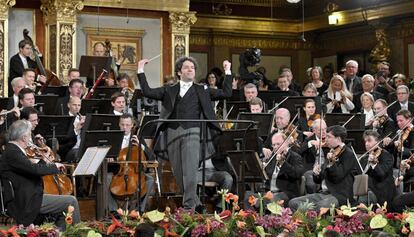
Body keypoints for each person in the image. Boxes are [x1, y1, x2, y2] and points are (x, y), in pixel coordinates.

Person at [137, 56, 232, 210]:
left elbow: (227, 93)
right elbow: (147, 92)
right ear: (179, 72)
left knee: (190, 171)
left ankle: (188, 208)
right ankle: (197, 204)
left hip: (193, 132)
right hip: (172, 133)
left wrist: (227, 71)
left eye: (192, 68)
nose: (190, 70)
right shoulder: (169, 89)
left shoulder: (203, 89)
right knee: (179, 172)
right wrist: (140, 69)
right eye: (187, 67)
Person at [0, 119, 80, 228]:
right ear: (23, 137)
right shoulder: (13, 152)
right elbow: (35, 170)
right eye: (29, 135)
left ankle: (60, 233)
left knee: (64, 207)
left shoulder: (13, 150)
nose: (30, 139)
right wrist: (54, 166)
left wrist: (44, 160)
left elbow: (30, 170)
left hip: (30, 196)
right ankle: (74, 233)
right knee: (71, 202)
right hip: (27, 201)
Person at [289, 125, 357, 211]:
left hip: (340, 195)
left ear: (338, 139)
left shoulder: (348, 154)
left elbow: (338, 176)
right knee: (293, 202)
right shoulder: (331, 152)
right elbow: (318, 180)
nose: (326, 139)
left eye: (329, 137)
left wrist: (332, 163)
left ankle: (311, 220)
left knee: (320, 206)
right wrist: (316, 174)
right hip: (324, 193)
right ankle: (307, 220)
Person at [107, 114, 154, 213]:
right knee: (106, 178)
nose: (124, 127)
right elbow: (106, 154)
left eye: (127, 125)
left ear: (132, 125)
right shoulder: (113, 138)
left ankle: (139, 210)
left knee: (150, 180)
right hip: (117, 171)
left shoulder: (137, 138)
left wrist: (141, 146)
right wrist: (108, 157)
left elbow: (151, 157)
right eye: (122, 125)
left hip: (134, 173)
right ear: (119, 124)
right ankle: (114, 210)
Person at [246, 132, 304, 208]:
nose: (276, 147)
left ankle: (273, 220)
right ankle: (252, 218)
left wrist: (283, 163)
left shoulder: (295, 157)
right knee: (247, 195)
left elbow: (296, 174)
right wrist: (261, 167)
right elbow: (266, 174)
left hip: (285, 193)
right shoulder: (273, 157)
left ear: (286, 143)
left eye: (278, 144)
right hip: (269, 192)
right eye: (273, 145)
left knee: (274, 198)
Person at [358, 130, 396, 206]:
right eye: (365, 141)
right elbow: (360, 174)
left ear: (378, 141)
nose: (366, 144)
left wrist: (374, 164)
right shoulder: (364, 158)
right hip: (364, 188)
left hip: (381, 191)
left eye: (369, 141)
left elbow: (381, 175)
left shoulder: (386, 156)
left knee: (362, 197)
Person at [298, 119, 327, 194]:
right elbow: (299, 152)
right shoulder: (309, 140)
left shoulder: (329, 138)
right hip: (312, 169)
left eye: (325, 129)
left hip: (326, 168)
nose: (324, 132)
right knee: (311, 182)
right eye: (320, 130)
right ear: (314, 130)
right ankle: (313, 199)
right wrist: (310, 143)